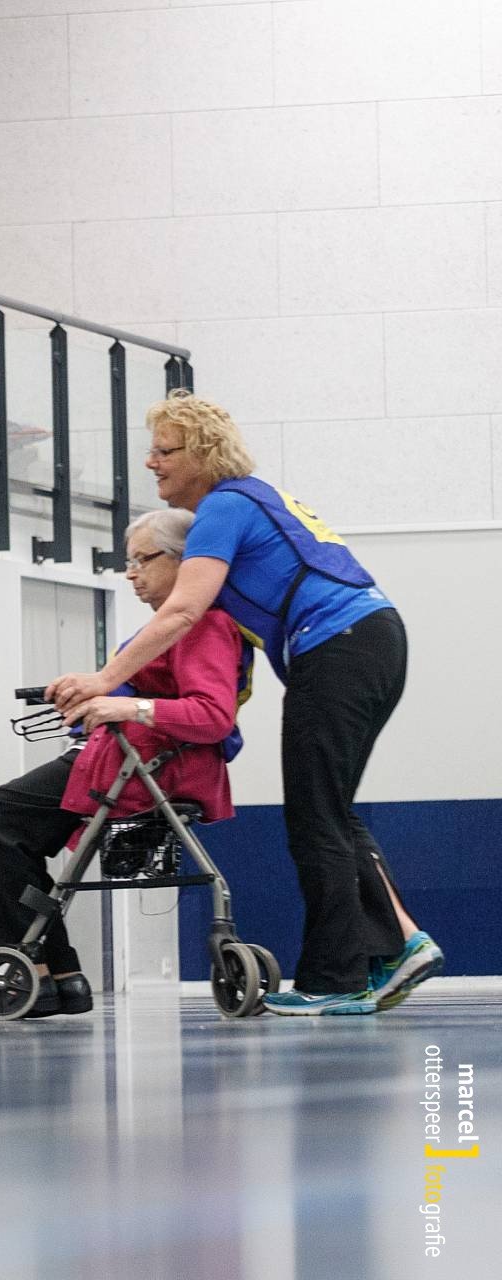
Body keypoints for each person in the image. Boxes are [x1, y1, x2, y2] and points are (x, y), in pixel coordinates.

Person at [48, 390, 438, 1015]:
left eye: (164, 450)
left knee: (316, 818)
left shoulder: (224, 508)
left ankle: (339, 980)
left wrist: (103, 679)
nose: (151, 462)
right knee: (329, 811)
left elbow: (181, 609)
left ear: (203, 454)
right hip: (369, 641)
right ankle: (397, 946)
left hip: (339, 646)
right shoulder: (257, 500)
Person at [0, 508, 247, 1016]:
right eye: (129, 561)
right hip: (134, 759)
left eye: (143, 559)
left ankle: (40, 972)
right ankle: (63, 974)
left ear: (185, 561)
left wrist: (126, 706)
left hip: (150, 767)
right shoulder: (166, 630)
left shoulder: (204, 625)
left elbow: (212, 715)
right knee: (17, 828)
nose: (131, 573)